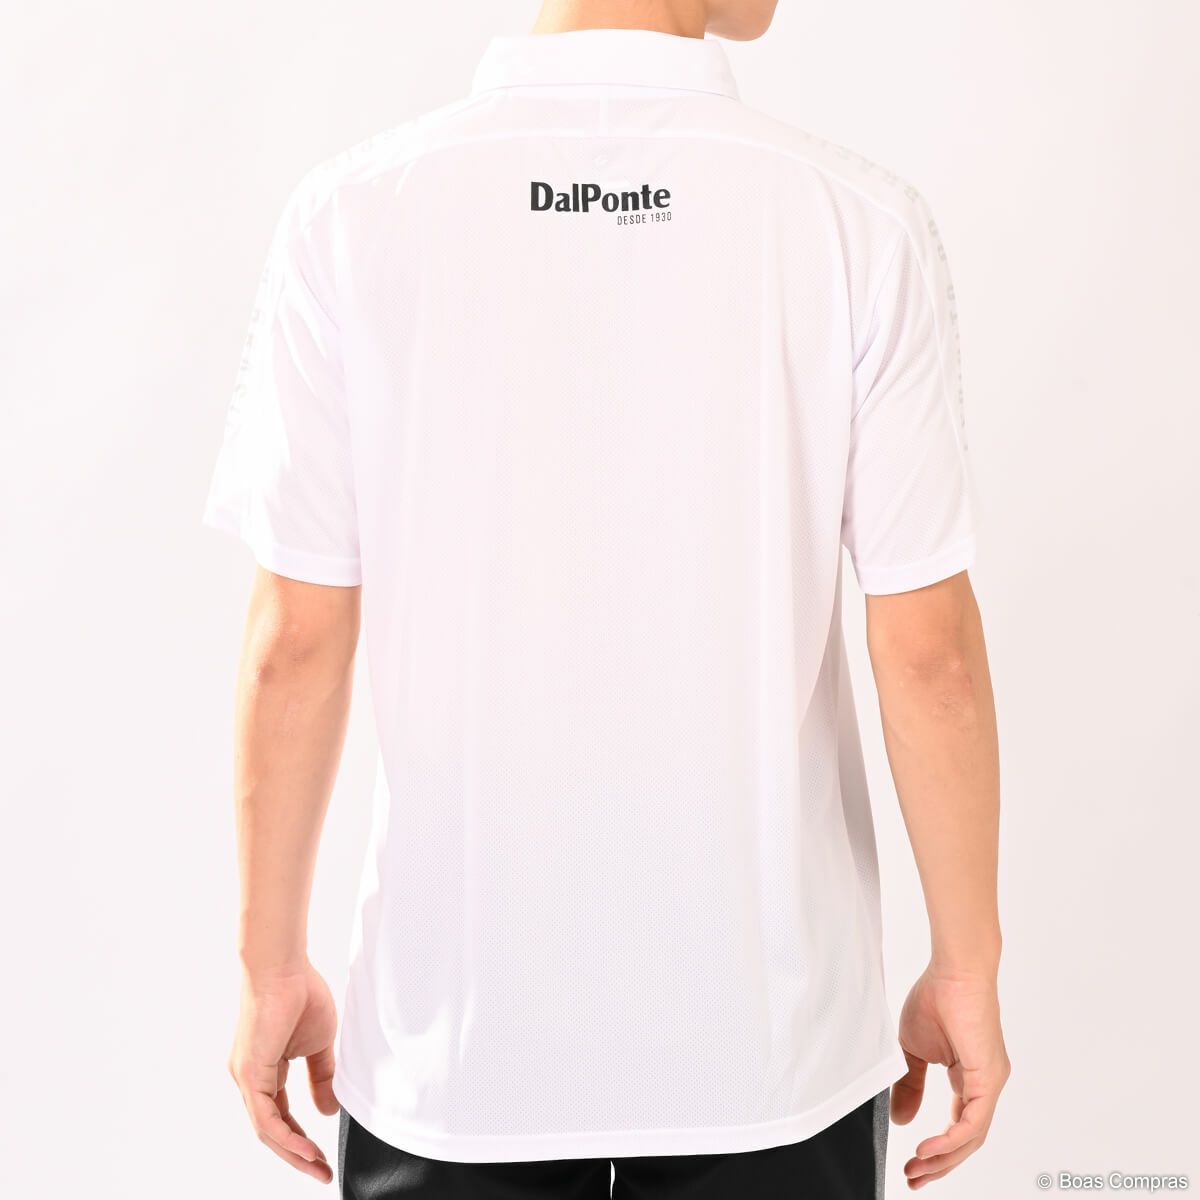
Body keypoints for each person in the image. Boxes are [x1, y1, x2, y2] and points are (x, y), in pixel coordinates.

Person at [203, 0, 1009, 1195]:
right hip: (771, 1054)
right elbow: (929, 653)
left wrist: (269, 967)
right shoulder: (856, 222)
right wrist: (967, 968)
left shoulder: (353, 214)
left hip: (456, 1055)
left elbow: (295, 645)